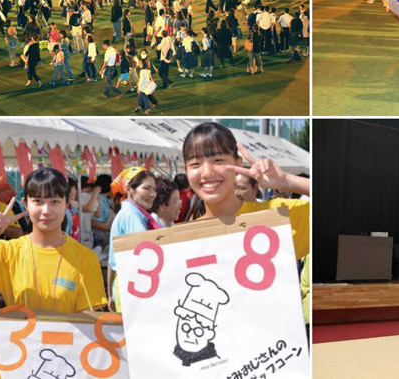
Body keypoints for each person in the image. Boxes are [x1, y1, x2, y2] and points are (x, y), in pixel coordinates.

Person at [0, 168, 107, 313]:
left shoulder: (85, 259)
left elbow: (88, 323)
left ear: (67, 204)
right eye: (38, 201)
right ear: (26, 204)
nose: (46, 210)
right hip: (19, 335)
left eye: (54, 201)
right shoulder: (7, 252)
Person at [181, 122, 309, 263]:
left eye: (218, 160)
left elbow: (335, 203)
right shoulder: (182, 240)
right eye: (195, 164)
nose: (206, 172)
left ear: (238, 163)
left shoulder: (278, 215)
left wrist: (286, 180)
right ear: (185, 169)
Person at [107, 168, 160, 312]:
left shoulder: (128, 213)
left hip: (125, 283)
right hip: (135, 285)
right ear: (130, 189)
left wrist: (111, 294)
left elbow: (111, 261)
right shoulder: (132, 216)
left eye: (154, 189)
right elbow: (146, 257)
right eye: (146, 188)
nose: (152, 194)